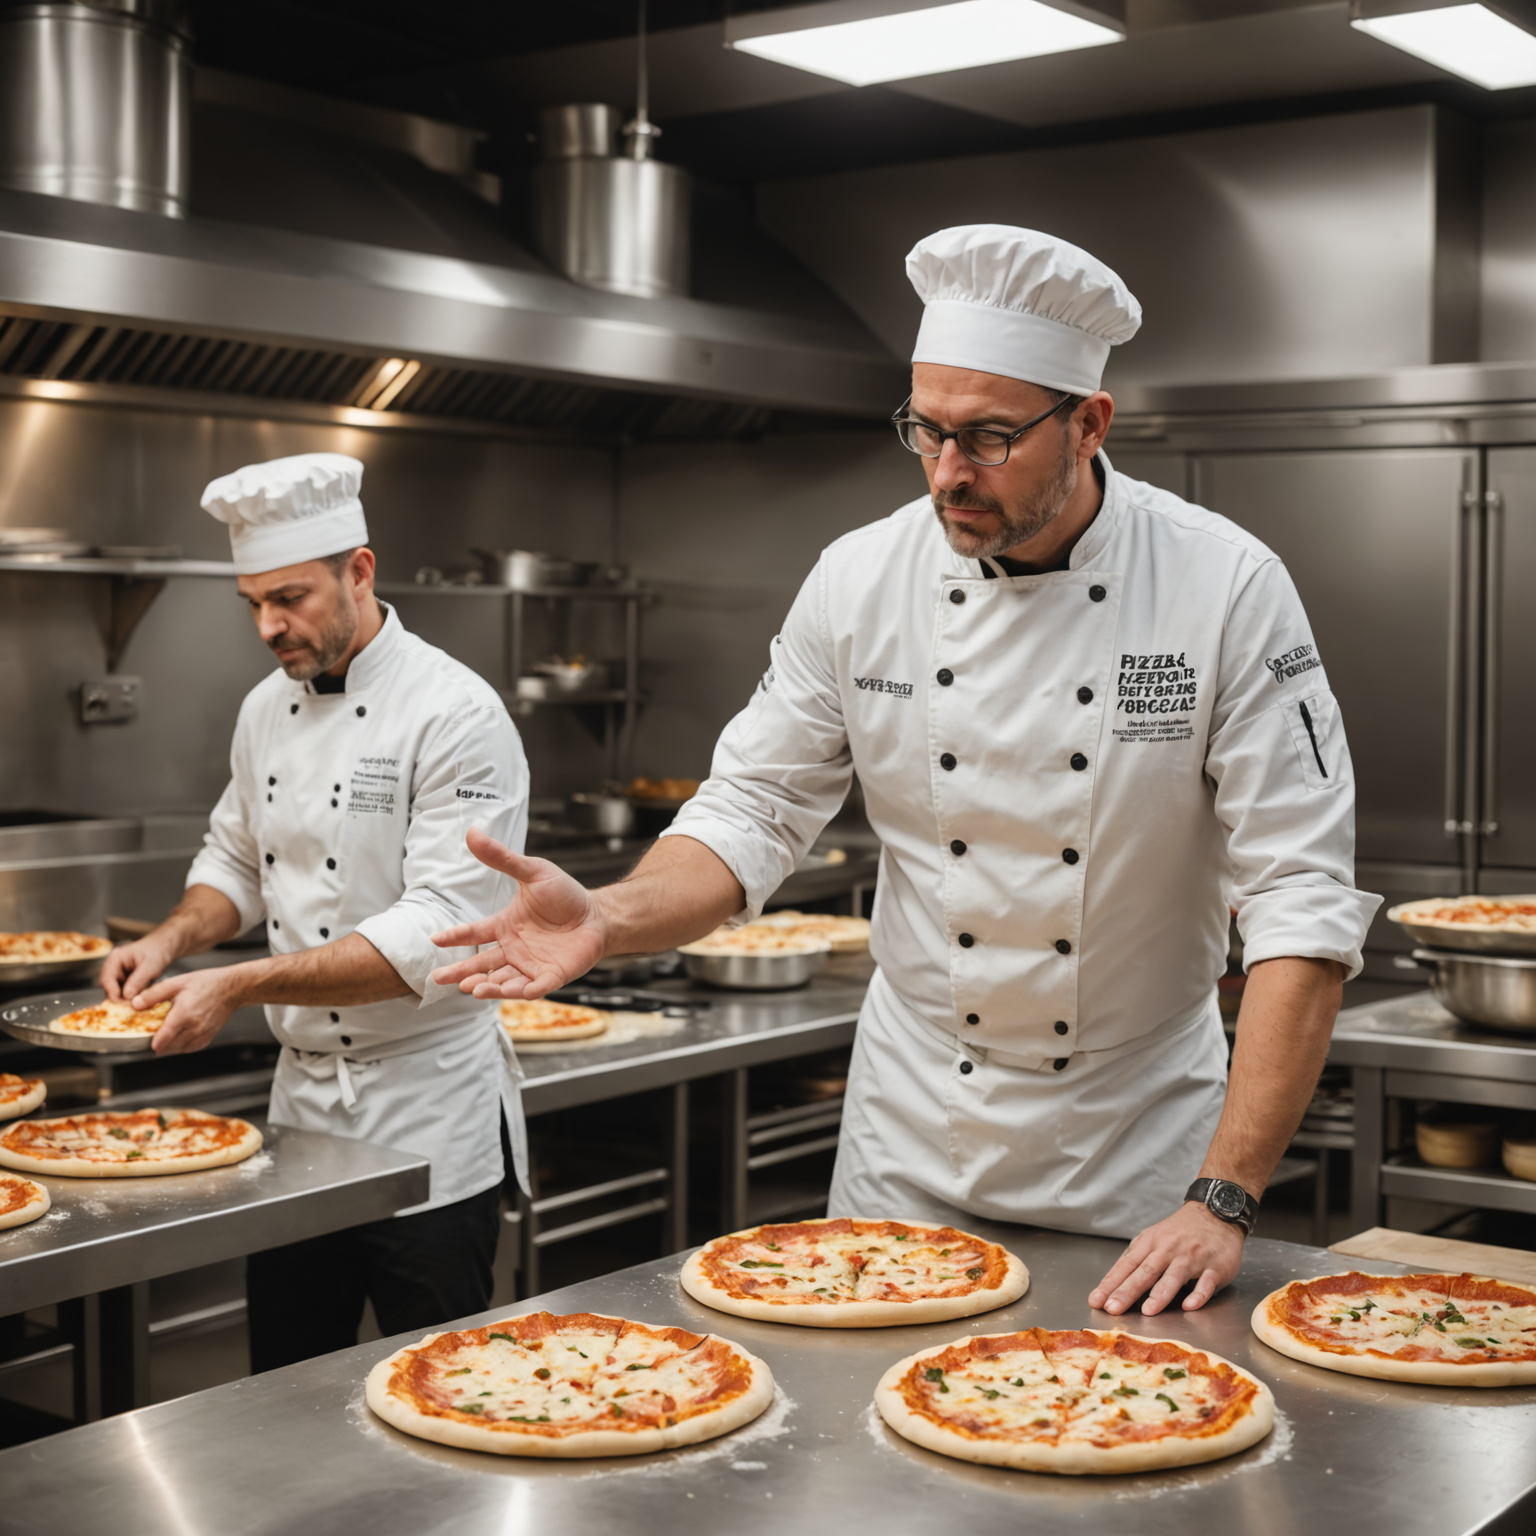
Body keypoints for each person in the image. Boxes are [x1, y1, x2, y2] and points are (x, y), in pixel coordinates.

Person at [428, 225, 1380, 1317]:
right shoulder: (860, 579)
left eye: (986, 438)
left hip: (1139, 1142)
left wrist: (1226, 1192)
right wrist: (610, 912)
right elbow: (755, 805)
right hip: (913, 1127)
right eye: (923, 432)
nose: (946, 475)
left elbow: (1300, 899)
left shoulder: (1225, 587)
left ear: (1090, 423)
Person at [102, 452, 529, 1369]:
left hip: (427, 1113)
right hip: (301, 1117)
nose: (269, 626)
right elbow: (236, 861)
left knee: (445, 1383)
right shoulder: (263, 709)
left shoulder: (456, 711)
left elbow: (437, 931)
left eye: (290, 598)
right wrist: (170, 939)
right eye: (253, 603)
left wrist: (239, 982)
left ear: (360, 571)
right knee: (286, 1381)